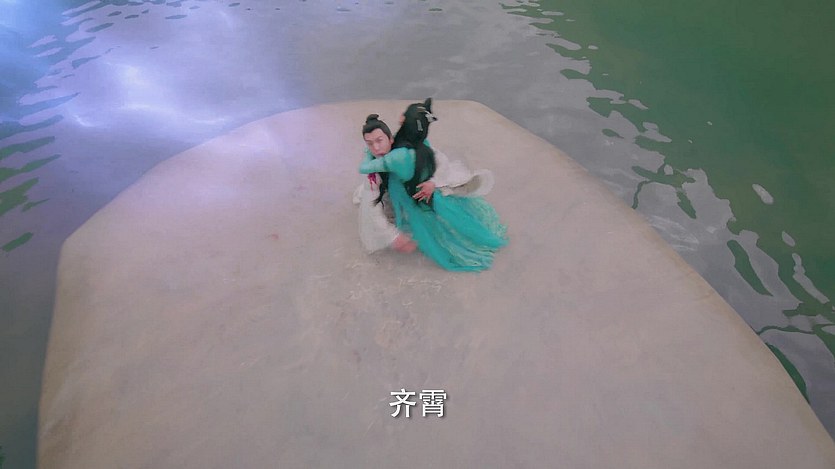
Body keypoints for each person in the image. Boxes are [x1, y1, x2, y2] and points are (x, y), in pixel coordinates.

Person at [355, 99, 507, 272]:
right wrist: (392, 236)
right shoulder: (375, 175)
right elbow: (372, 208)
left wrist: (432, 182)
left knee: (443, 222)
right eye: (369, 144)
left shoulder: (405, 150)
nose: (376, 148)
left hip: (418, 193)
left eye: (379, 140)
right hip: (399, 200)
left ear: (390, 139)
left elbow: (439, 160)